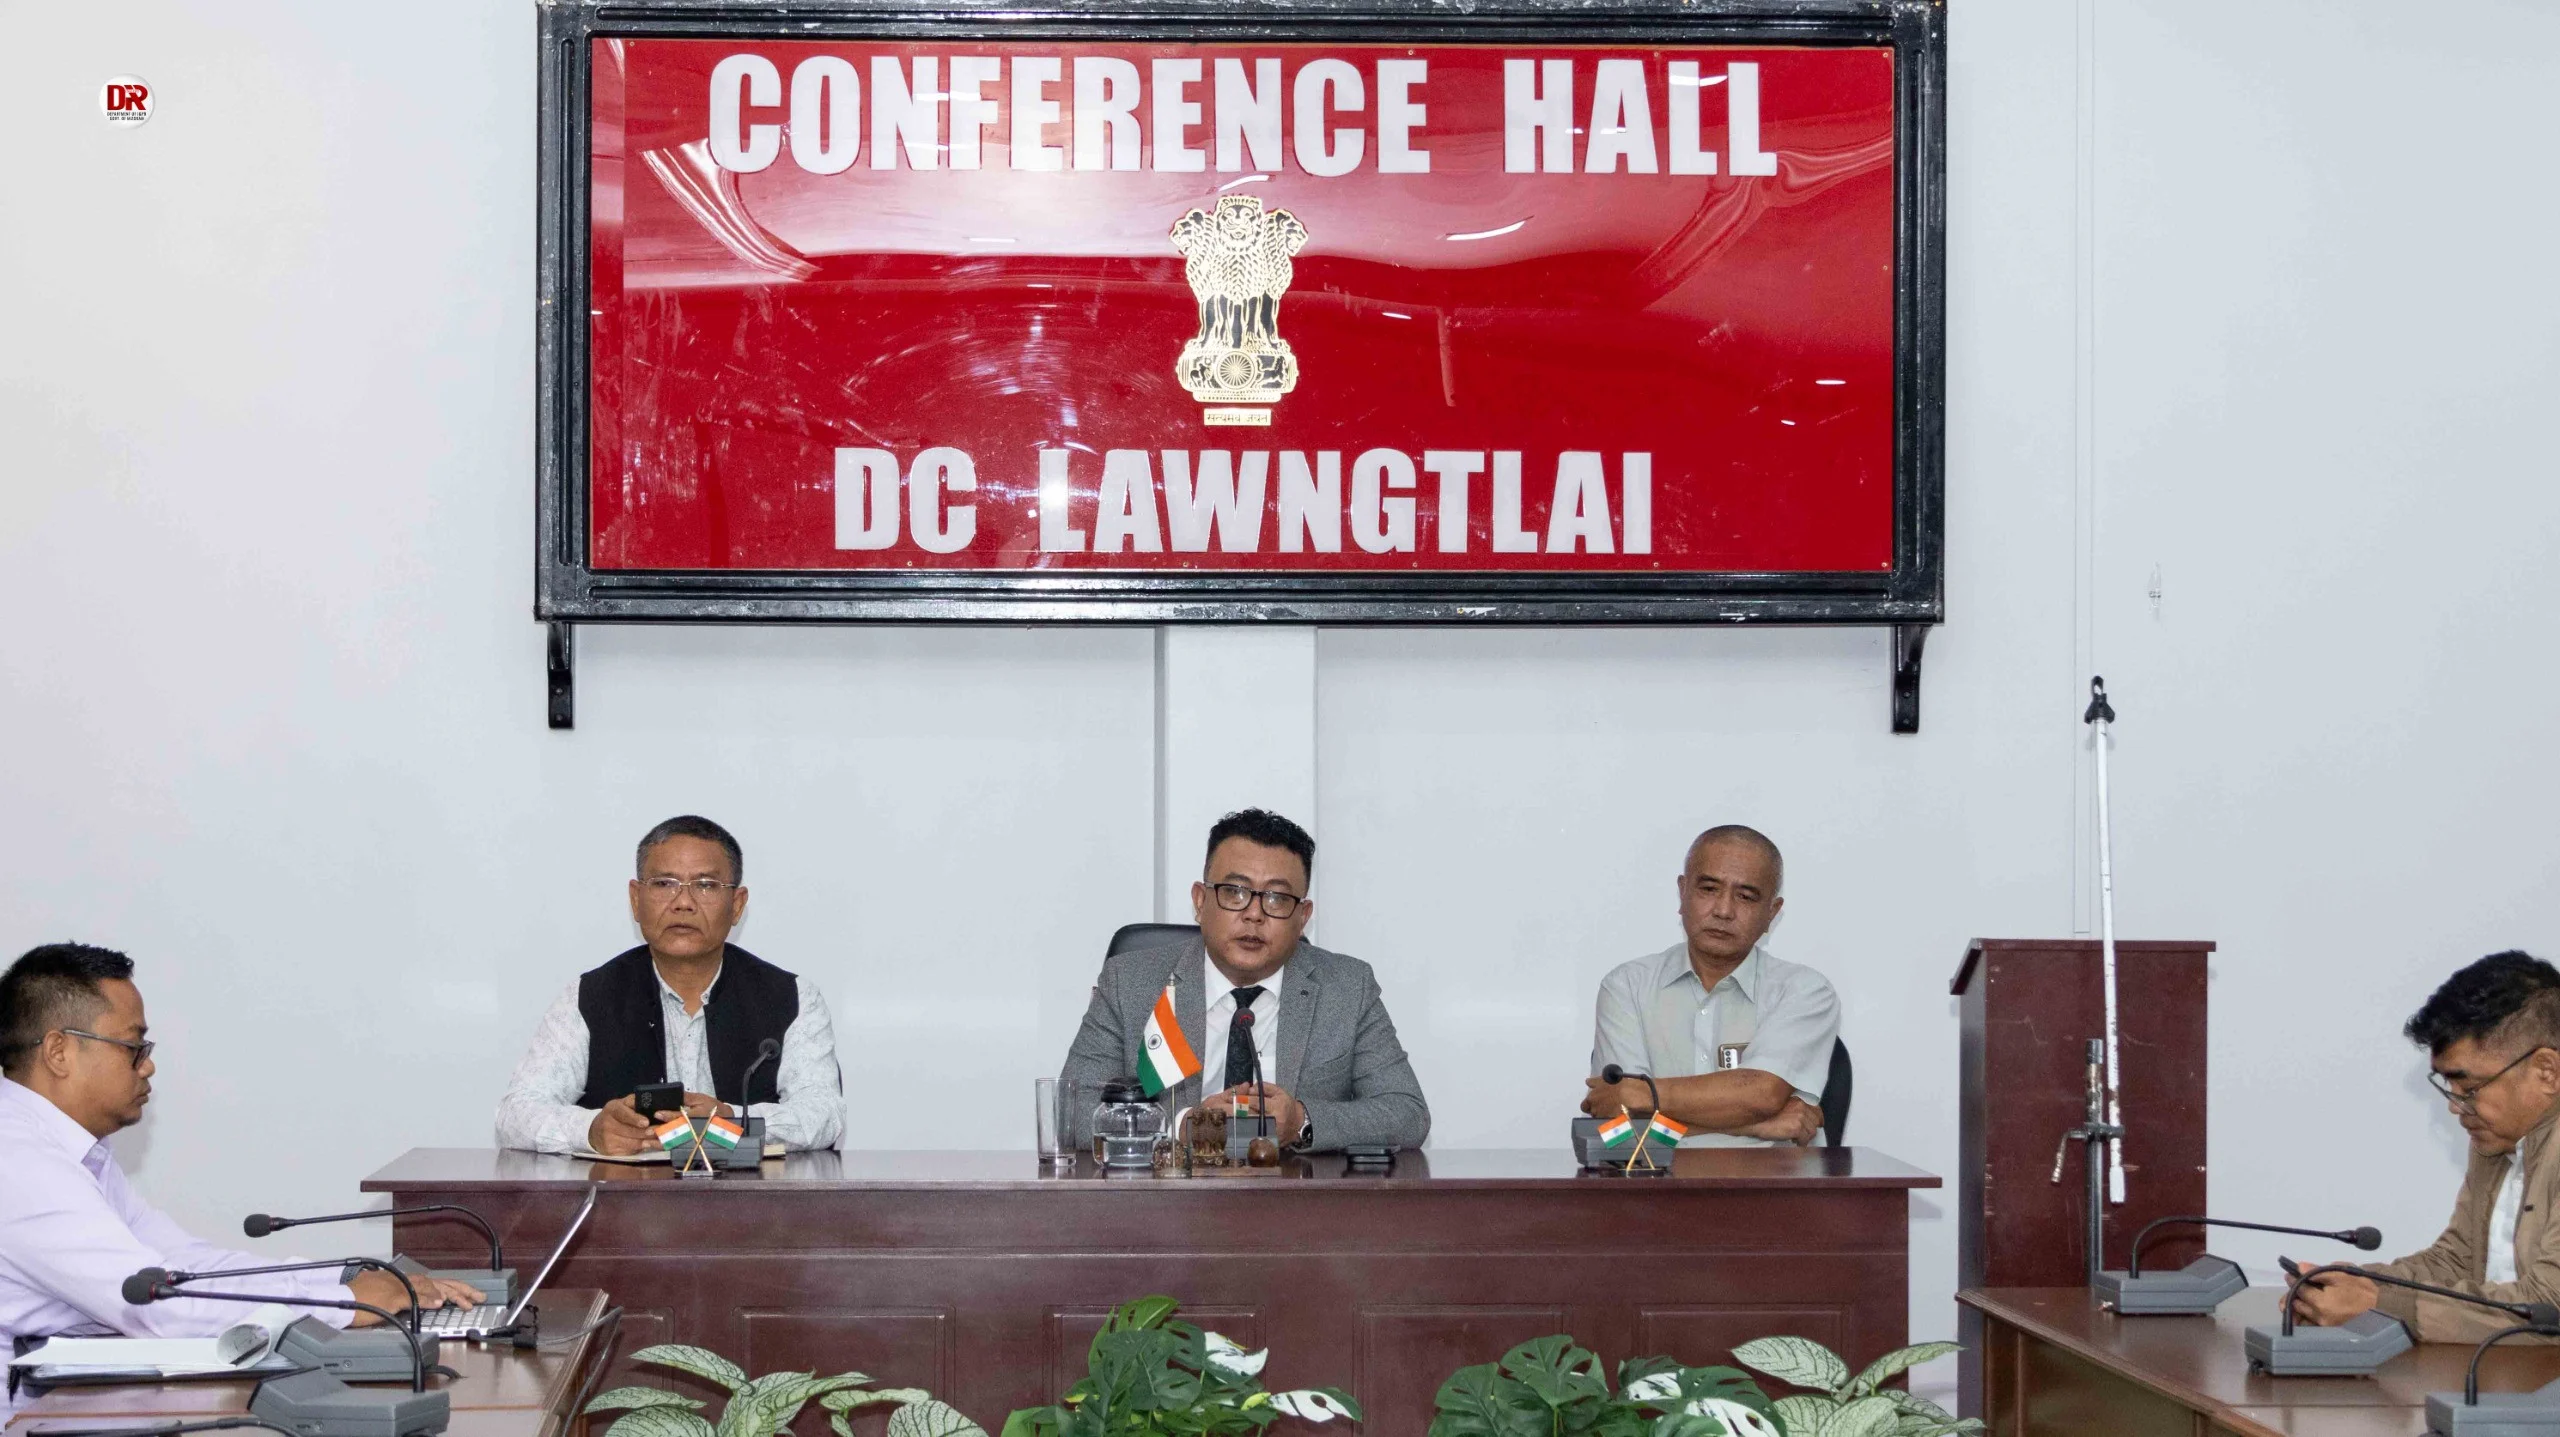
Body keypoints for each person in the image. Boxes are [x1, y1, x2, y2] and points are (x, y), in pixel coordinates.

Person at [0, 943, 479, 1378]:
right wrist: (345, 1303)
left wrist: (343, 1277)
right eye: (133, 1046)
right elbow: (159, 1306)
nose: (148, 1065)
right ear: (59, 1051)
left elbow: (184, 1268)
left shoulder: (72, 1152)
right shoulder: (21, 1163)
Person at [1059, 808, 1429, 1153]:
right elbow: (1072, 1110)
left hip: (1298, 1206)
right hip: (1170, 1207)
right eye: (1234, 892)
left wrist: (1301, 1121)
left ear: (1303, 916)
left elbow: (1407, 1113)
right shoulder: (1131, 982)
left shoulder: (1348, 988)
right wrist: (1185, 1126)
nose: (1253, 914)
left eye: (1276, 898)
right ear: (1200, 901)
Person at [496, 815, 845, 1155]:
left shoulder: (791, 998)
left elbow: (824, 1113)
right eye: (664, 884)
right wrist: (589, 1130)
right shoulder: (590, 997)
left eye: (706, 885)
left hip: (751, 1207)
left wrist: (731, 1120)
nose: (683, 903)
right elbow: (516, 1113)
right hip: (627, 1207)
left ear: (737, 905)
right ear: (635, 899)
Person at [2289, 951, 2560, 1340]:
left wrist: (2375, 1304)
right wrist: (2353, 1283)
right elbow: (2455, 1261)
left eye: (2469, 1088)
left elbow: (2548, 1306)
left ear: (2546, 1071)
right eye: (2449, 1088)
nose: (2455, 1105)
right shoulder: (2498, 1139)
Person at [1582, 825, 1838, 1147]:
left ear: (1772, 913)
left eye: (1745, 897)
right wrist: (1754, 1126)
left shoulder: (1804, 991)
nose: (1723, 910)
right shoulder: (1627, 987)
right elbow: (1619, 1130)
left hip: (1774, 1191)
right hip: (1656, 1192)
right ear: (1682, 892)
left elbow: (1762, 1095)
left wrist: (1642, 1094)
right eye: (1708, 889)